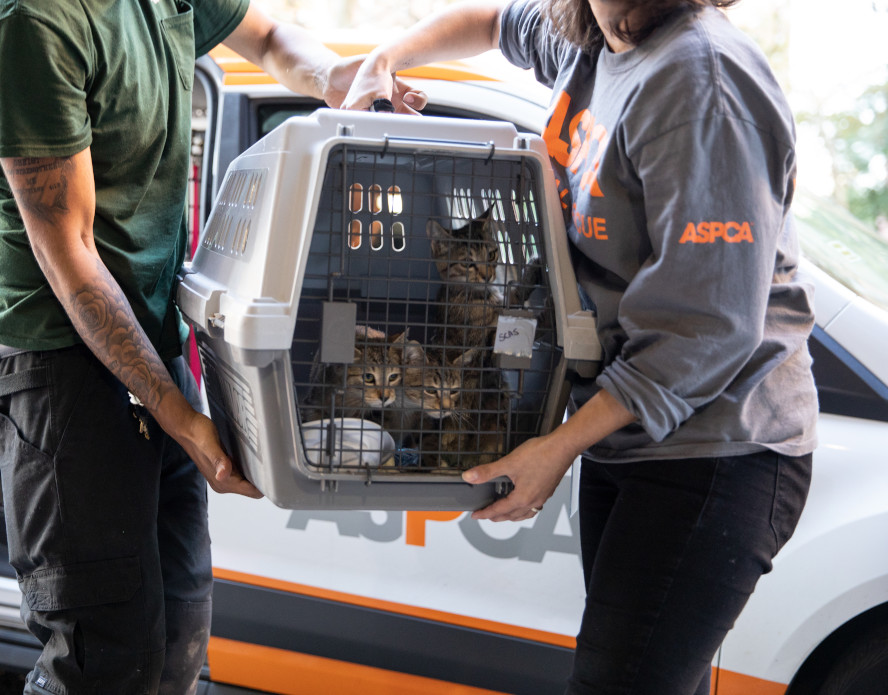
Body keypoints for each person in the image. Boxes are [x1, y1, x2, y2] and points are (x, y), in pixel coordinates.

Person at [342, 1, 818, 693]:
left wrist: (557, 445)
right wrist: (383, 62)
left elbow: (710, 324)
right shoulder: (594, 36)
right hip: (630, 433)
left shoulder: (702, 79)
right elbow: (494, 21)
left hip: (719, 445)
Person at [0, 2, 422, 693]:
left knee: (180, 634)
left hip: (154, 337)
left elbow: (264, 33)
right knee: (103, 657)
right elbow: (71, 254)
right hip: (61, 366)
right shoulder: (25, 24)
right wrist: (182, 416)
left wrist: (331, 74)